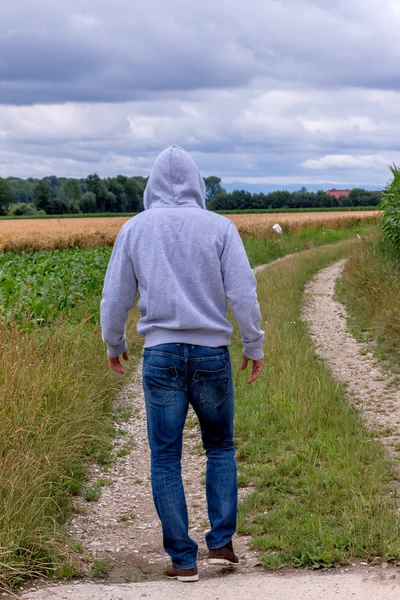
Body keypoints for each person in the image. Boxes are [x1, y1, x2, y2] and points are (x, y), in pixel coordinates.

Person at [100, 145, 264, 583]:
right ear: (197, 182)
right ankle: (222, 545)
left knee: (166, 457)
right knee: (221, 446)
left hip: (161, 355)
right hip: (212, 354)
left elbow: (115, 295)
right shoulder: (220, 227)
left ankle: (183, 560)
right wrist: (253, 344)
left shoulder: (135, 229)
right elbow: (243, 293)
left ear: (152, 184)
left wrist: (113, 341)